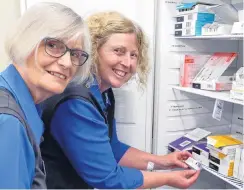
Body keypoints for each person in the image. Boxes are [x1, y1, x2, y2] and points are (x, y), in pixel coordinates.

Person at [41, 11, 200, 189]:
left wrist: (163, 162)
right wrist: (168, 179)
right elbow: (109, 179)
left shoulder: (103, 92)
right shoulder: (76, 103)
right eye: (118, 51)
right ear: (93, 50)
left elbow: (112, 148)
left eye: (133, 55)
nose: (127, 62)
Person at [0, 2, 91, 188]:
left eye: (75, 53)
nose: (67, 63)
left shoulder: (24, 103)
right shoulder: (9, 121)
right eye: (53, 45)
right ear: (26, 40)